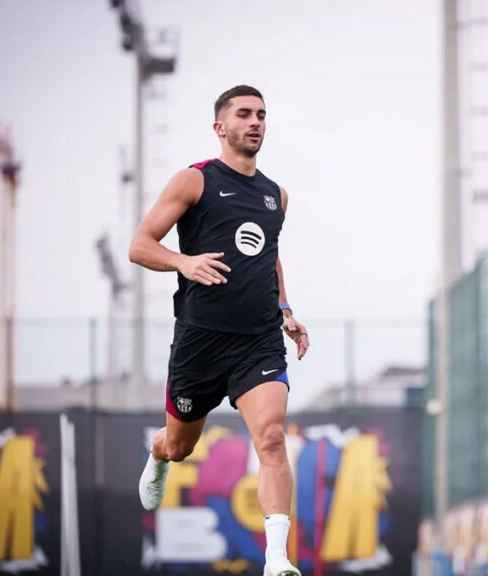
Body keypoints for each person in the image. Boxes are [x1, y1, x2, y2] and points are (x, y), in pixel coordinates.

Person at [129, 84, 309, 576]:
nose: (255, 122)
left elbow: (268, 256)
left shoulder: (277, 196)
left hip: (258, 339)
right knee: (181, 446)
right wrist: (182, 262)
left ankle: (277, 559)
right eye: (244, 114)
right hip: (201, 340)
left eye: (262, 115)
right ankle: (159, 453)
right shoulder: (194, 182)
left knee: (271, 437)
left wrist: (286, 308)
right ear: (220, 127)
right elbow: (140, 246)